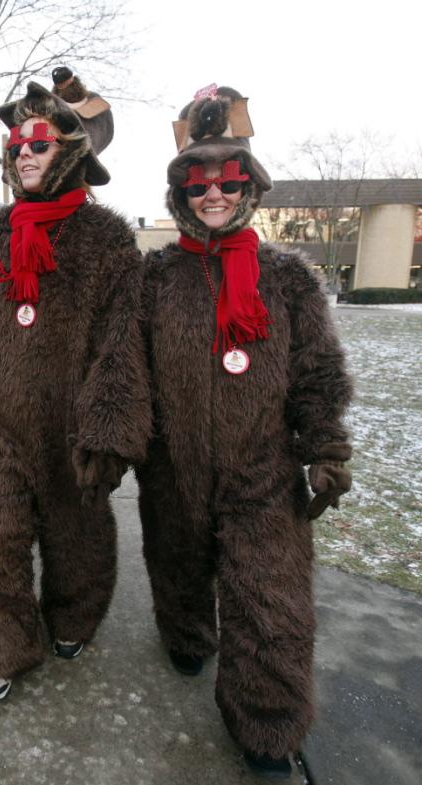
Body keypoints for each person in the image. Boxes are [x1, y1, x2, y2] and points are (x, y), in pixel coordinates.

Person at [136, 84, 353, 778]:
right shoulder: (157, 277)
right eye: (198, 184)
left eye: (227, 181)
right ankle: (188, 634)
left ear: (248, 186)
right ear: (181, 194)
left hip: (262, 473)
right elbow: (123, 367)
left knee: (269, 605)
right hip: (174, 466)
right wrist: (116, 436)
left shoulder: (287, 279)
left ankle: (267, 726)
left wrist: (324, 449)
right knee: (178, 569)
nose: (213, 195)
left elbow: (317, 372)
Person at [0, 80, 151, 702]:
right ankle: (2, 648)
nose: (23, 153)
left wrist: (110, 433)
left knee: (77, 536)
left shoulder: (108, 239)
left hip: (73, 427)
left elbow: (122, 347)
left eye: (38, 140)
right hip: (4, 425)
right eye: (14, 143)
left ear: (69, 151)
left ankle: (73, 617)